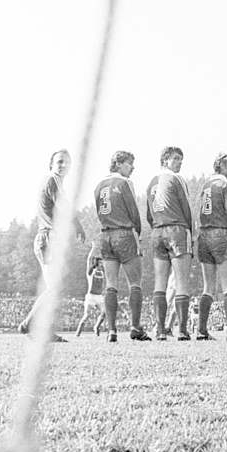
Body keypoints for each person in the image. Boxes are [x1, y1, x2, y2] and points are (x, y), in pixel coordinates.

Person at [94, 150, 151, 342]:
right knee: (135, 283)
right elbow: (133, 211)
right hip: (124, 234)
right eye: (129, 164)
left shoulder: (99, 185)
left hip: (105, 235)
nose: (132, 167)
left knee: (111, 284)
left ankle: (111, 330)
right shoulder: (125, 183)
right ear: (118, 164)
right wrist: (138, 234)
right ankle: (135, 327)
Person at [21, 149, 70, 341]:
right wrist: (78, 225)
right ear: (51, 165)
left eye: (67, 162)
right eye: (59, 162)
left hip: (48, 237)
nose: (63, 165)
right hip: (48, 237)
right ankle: (30, 325)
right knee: (54, 288)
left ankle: (39, 328)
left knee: (54, 287)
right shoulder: (53, 179)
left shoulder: (55, 181)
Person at [146, 146, 194, 340]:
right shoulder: (176, 179)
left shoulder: (151, 183)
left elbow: (148, 214)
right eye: (176, 159)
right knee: (181, 281)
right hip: (177, 229)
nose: (180, 162)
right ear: (165, 160)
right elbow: (187, 207)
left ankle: (160, 330)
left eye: (181, 159)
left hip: (157, 231)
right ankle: (182, 330)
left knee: (160, 282)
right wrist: (191, 231)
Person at [196, 153, 227, 340]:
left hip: (203, 236)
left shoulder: (206, 185)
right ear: (222, 166)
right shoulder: (226, 184)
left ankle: (201, 330)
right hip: (222, 235)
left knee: (208, 286)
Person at [75, 246, 108, 337]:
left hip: (99, 296)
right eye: (100, 263)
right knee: (86, 316)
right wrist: (93, 249)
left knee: (104, 312)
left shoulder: (103, 272)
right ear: (97, 263)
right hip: (91, 296)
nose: (102, 264)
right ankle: (78, 332)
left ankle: (96, 327)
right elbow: (89, 260)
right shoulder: (91, 272)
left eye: (102, 263)